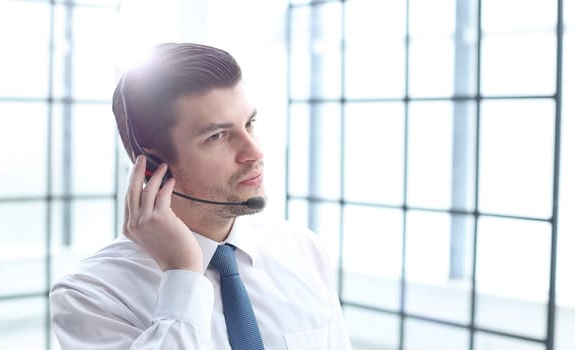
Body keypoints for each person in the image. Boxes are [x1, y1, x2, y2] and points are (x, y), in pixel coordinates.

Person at [50, 42, 351, 349]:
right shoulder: (91, 295)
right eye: (217, 136)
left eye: (249, 124)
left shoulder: (302, 250)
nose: (255, 152)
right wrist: (183, 273)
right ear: (154, 163)